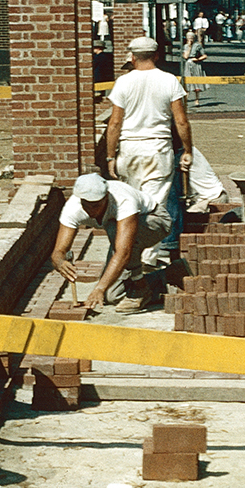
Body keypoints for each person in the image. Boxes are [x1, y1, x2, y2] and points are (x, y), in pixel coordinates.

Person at [104, 35, 194, 274]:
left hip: (129, 148)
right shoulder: (169, 81)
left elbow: (114, 123)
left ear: (132, 57)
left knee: (131, 204)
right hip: (158, 148)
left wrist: (110, 156)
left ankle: (128, 258)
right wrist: (187, 150)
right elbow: (181, 121)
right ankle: (146, 262)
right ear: (156, 55)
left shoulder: (123, 83)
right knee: (154, 207)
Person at [51, 171, 171, 312]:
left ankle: (141, 289)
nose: (90, 210)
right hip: (121, 234)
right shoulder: (73, 207)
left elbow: (124, 253)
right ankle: (169, 274)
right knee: (112, 295)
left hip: (156, 220)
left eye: (96, 205)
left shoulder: (122, 199)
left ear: (106, 197)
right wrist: (59, 262)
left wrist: (99, 288)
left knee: (113, 229)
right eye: (86, 204)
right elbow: (58, 251)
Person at [182, 24, 208, 106]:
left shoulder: (198, 46)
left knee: (197, 83)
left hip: (196, 65)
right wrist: (189, 47)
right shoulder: (185, 46)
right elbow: (185, 56)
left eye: (191, 37)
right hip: (188, 65)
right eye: (188, 38)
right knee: (187, 82)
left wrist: (198, 59)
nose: (190, 39)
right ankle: (186, 100)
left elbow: (204, 55)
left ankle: (197, 100)